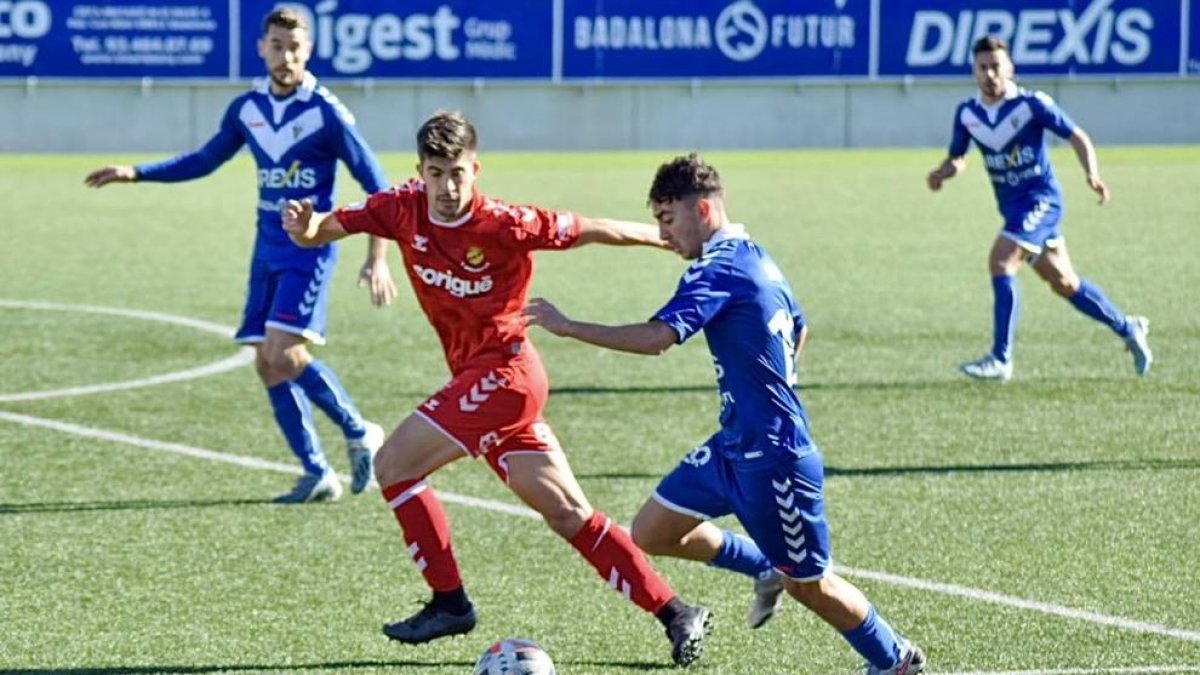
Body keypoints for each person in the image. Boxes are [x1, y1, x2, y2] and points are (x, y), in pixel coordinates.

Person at [282, 110, 711, 666]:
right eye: (436, 173)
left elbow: (593, 229)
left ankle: (450, 601)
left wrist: (669, 240)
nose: (448, 186)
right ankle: (677, 612)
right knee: (568, 514)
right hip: (479, 384)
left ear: (475, 169)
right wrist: (304, 227)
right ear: (422, 171)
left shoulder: (506, 223)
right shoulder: (399, 208)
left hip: (506, 376)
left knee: (393, 464)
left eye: (458, 172)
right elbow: (326, 228)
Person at [523, 154, 926, 675]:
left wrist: (570, 326)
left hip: (776, 459)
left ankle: (895, 658)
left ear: (704, 209)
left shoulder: (720, 268)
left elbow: (656, 339)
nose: (663, 234)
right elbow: (797, 328)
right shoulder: (756, 255)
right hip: (734, 445)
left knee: (811, 585)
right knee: (652, 530)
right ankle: (762, 566)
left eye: (668, 220)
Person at [84, 8, 391, 503]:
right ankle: (317, 472)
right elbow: (204, 160)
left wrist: (377, 257)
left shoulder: (327, 113)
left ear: (308, 51)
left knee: (284, 353)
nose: (285, 55)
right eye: (277, 45)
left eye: (294, 47)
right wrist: (137, 172)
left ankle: (360, 431)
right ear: (261, 48)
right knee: (266, 363)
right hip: (265, 250)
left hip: (307, 250)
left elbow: (379, 188)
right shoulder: (247, 109)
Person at [926, 35, 1152, 381]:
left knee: (1001, 260)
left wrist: (1091, 174)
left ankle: (1001, 359)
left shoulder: (1031, 105)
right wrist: (943, 172)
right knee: (1064, 282)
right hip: (1013, 210)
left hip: (1041, 202)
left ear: (1010, 68)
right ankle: (1128, 327)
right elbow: (959, 157)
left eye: (996, 67)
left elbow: (1077, 135)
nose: (990, 74)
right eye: (983, 67)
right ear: (973, 70)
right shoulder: (968, 114)